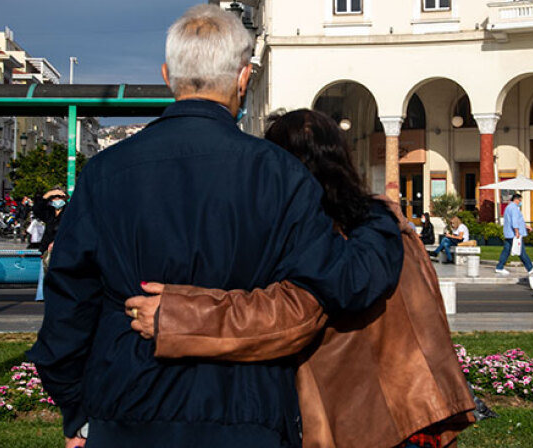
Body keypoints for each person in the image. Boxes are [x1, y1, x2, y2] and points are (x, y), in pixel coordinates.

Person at [27, 4, 403, 448]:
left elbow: (69, 305)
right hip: (247, 409)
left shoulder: (106, 172)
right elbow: (339, 283)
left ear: (169, 75)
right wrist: (378, 218)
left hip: (127, 406)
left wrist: (78, 411)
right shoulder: (279, 174)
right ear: (243, 78)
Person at [124, 109, 476, 448]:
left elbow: (292, 316)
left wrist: (176, 315)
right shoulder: (389, 227)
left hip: (362, 425)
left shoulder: (324, 240)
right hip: (419, 414)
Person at [494, 194, 533, 288]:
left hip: (508, 233)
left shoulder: (508, 207)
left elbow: (516, 220)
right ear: (516, 199)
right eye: (520, 200)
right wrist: (517, 231)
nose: (520, 202)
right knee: (520, 250)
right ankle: (530, 267)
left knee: (507, 250)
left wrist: (525, 226)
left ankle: (499, 267)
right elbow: (515, 221)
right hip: (514, 233)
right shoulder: (514, 208)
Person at [31, 188, 67, 303]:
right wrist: (47, 194)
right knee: (45, 271)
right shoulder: (49, 212)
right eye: (54, 197)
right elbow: (37, 209)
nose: (57, 199)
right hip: (48, 248)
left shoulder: (70, 211)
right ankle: (43, 295)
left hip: (63, 248)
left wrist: (58, 241)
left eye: (59, 197)